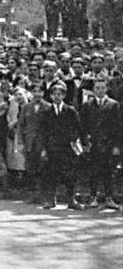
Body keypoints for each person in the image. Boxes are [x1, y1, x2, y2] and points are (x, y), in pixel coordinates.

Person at [80, 75, 122, 210]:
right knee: (93, 171)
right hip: (93, 144)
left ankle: (109, 198)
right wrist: (85, 142)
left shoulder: (113, 105)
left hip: (108, 143)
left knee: (108, 171)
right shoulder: (87, 105)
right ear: (93, 89)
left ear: (107, 89)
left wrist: (116, 145)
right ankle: (93, 197)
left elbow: (117, 127)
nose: (100, 90)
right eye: (97, 88)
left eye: (103, 88)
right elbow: (83, 125)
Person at [40, 81, 84, 210]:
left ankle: (71, 200)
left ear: (64, 95)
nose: (57, 97)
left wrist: (77, 142)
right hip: (52, 148)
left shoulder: (70, 110)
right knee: (51, 174)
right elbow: (42, 132)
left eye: (59, 94)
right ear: (51, 96)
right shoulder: (46, 111)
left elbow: (78, 127)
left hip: (67, 148)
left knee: (70, 174)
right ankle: (51, 200)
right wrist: (43, 149)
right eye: (54, 94)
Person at [18, 82, 50, 205]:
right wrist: (20, 142)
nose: (37, 94)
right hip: (29, 143)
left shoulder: (48, 107)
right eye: (35, 91)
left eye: (39, 91)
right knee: (30, 169)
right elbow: (21, 125)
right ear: (31, 93)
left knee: (43, 169)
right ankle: (32, 195)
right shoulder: (26, 107)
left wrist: (46, 147)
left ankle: (43, 196)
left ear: (43, 93)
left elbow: (50, 128)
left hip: (42, 144)